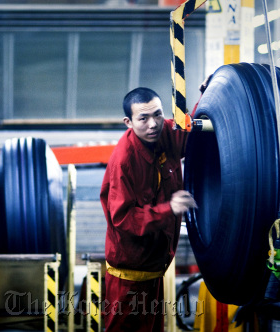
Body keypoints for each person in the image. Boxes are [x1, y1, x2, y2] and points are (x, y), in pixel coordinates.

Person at [100, 87, 197, 331]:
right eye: (143, 118)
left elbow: (189, 134)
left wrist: (207, 93)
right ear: (128, 122)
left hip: (155, 269)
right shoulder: (125, 161)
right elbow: (123, 218)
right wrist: (168, 209)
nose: (153, 124)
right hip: (129, 278)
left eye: (157, 114)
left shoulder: (164, 132)